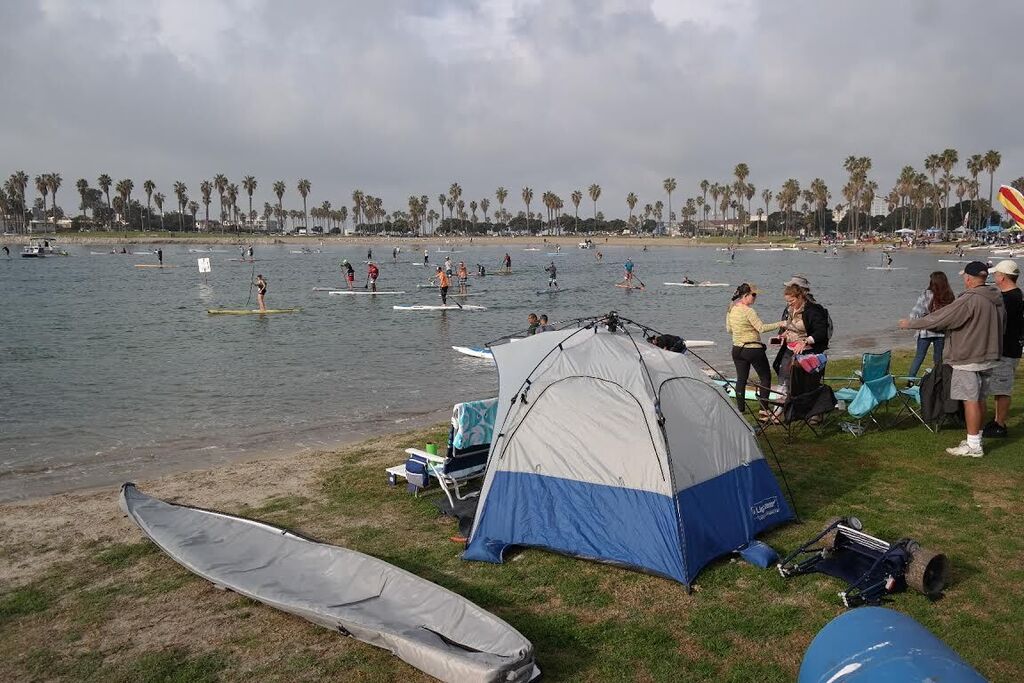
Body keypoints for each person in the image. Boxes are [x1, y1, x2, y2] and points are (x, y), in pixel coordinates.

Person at [899, 261, 1005, 457]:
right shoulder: (995, 298)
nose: (963, 279)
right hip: (990, 355)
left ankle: (973, 446)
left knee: (970, 399)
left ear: (969, 278)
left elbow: (940, 318)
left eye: (964, 276)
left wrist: (911, 324)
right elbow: (1002, 326)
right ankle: (976, 437)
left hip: (968, 356)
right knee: (980, 398)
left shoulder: (969, 299)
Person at [727, 283, 785, 414]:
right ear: (745, 295)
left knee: (741, 379)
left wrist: (741, 331)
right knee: (765, 377)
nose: (755, 297)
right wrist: (781, 323)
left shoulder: (731, 309)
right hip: (752, 348)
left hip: (737, 349)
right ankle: (764, 410)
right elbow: (761, 328)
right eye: (753, 295)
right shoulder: (748, 310)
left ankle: (740, 409)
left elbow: (729, 329)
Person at [984, 260, 1022, 438]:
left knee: (1002, 388)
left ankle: (1000, 424)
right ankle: (997, 419)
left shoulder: (1009, 298)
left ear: (1003, 277)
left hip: (1006, 349)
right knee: (999, 387)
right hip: (1010, 347)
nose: (994, 277)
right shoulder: (1016, 295)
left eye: (996, 274)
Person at [773, 282, 830, 390]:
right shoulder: (790, 309)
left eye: (791, 301)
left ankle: (804, 399)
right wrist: (783, 335)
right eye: (787, 301)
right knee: (784, 375)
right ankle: (784, 401)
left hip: (807, 351)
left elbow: (821, 332)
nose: (789, 304)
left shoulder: (813, 310)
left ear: (799, 297)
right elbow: (790, 326)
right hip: (790, 348)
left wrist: (805, 342)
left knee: (803, 380)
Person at [906, 272, 955, 378]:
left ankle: (910, 379)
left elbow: (917, 310)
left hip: (925, 330)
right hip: (941, 331)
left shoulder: (926, 294)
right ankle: (938, 378)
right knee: (938, 358)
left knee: (919, 356)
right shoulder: (949, 296)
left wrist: (910, 322)